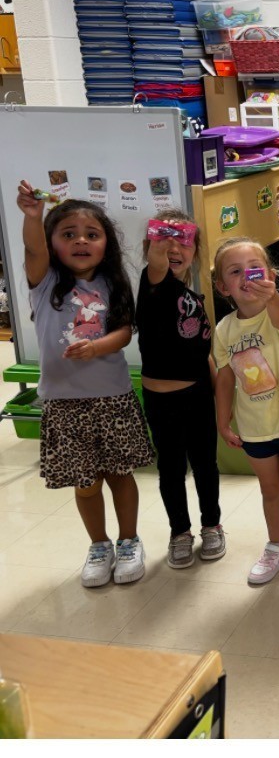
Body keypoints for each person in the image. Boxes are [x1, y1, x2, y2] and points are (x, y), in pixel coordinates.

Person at [17, 181, 153, 588]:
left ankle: (129, 541)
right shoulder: (43, 282)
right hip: (63, 403)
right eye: (69, 234)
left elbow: (125, 332)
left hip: (112, 399)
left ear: (105, 243)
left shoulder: (112, 284)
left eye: (91, 235)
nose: (80, 241)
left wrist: (96, 349)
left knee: (120, 475)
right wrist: (32, 216)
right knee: (86, 482)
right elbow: (33, 250)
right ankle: (99, 545)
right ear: (52, 242)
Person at [212, 237, 279, 586]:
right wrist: (223, 422)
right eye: (235, 271)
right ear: (222, 285)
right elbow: (225, 380)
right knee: (270, 490)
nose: (246, 278)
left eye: (254, 270)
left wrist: (272, 294)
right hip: (255, 429)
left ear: (271, 276)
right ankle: (277, 546)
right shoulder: (224, 330)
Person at [136, 209, 223, 569]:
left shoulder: (193, 295)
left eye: (184, 241)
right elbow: (159, 263)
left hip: (199, 395)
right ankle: (180, 532)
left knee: (206, 465)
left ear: (195, 250)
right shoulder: (153, 284)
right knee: (171, 470)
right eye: (163, 240)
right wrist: (163, 246)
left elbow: (204, 352)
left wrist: (222, 399)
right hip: (163, 399)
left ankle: (211, 525)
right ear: (150, 248)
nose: (174, 247)